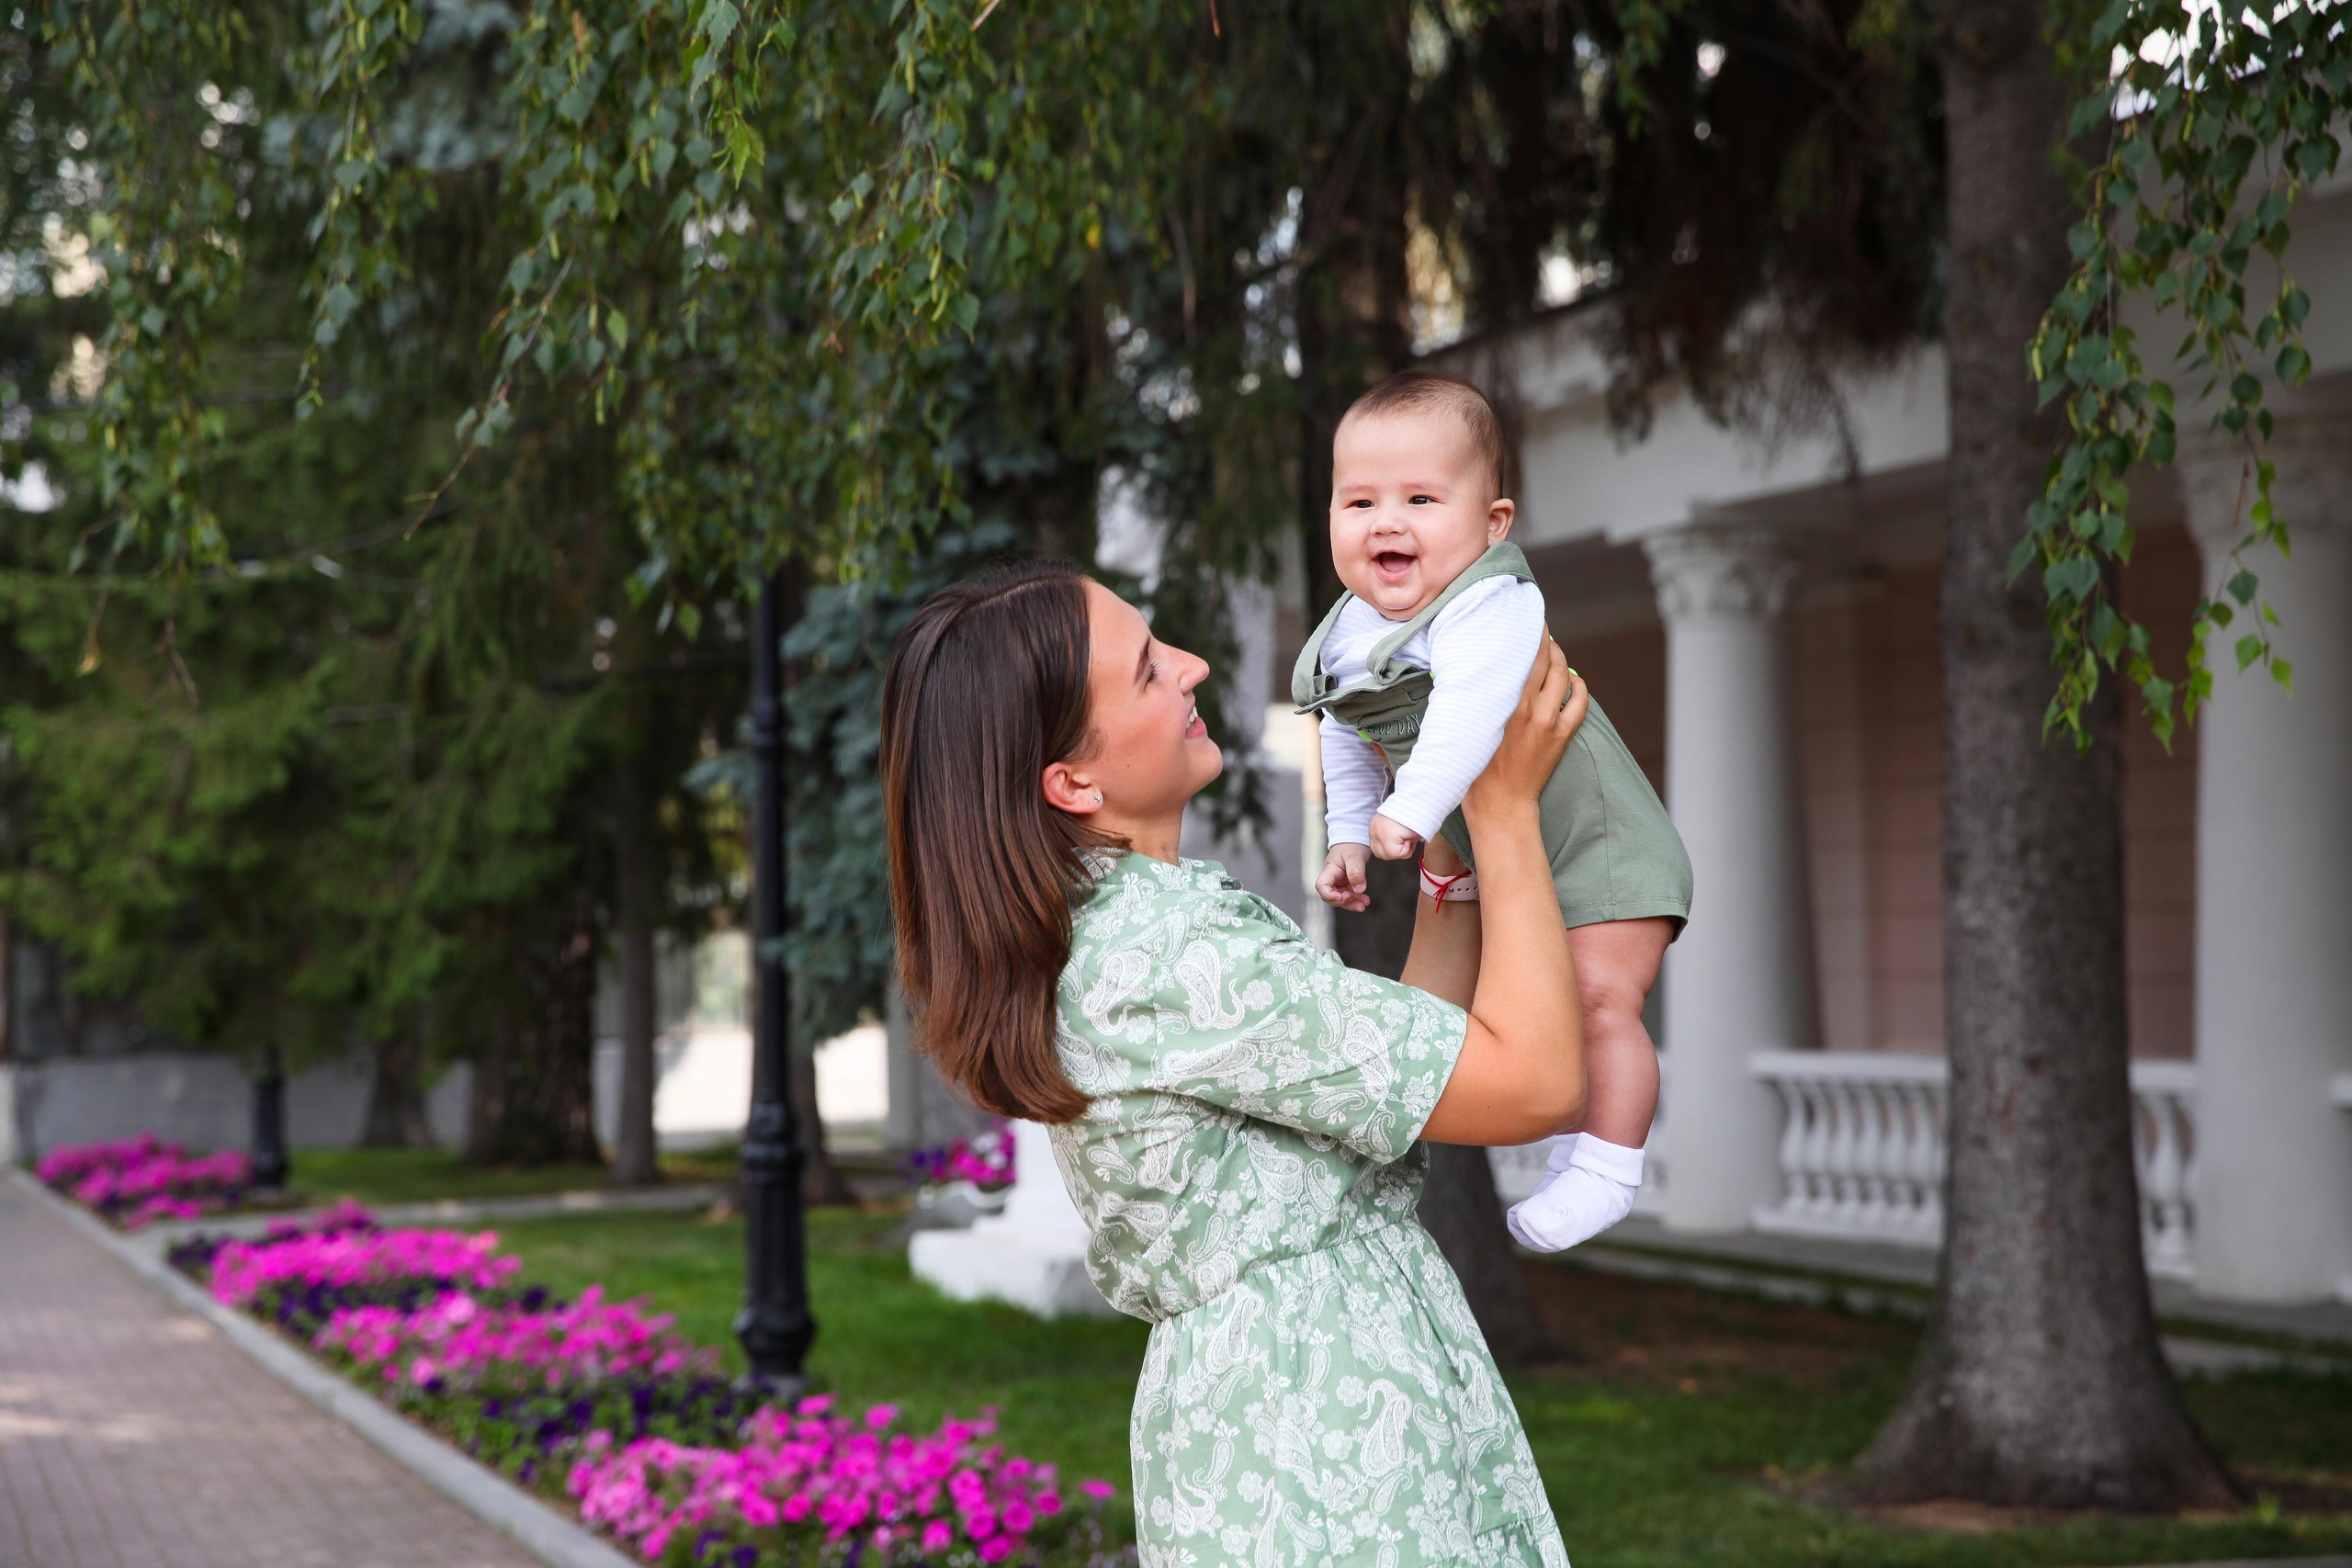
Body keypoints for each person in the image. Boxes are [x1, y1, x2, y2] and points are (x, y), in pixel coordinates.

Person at [883, 557, 1589, 1568]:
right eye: (1145, 669)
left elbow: (1390, 1079)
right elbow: (1536, 1085)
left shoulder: (1117, 932)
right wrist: (1508, 808)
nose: (1194, 666)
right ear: (1071, 780)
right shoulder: (1167, 950)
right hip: (1326, 1427)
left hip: (1273, 1413)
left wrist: (1449, 871)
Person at [1295, 371, 1692, 1254]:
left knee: (1597, 1001)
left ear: (1492, 524)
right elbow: (1344, 733)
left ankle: (1605, 1166)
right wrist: (1351, 832)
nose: (1386, 520)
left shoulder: (1490, 604)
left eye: (1421, 498)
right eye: (1358, 499)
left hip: (1601, 844)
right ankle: (1572, 1149)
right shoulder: (1352, 632)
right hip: (1509, 854)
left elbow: (1475, 715)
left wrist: (1416, 805)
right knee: (1530, 1011)